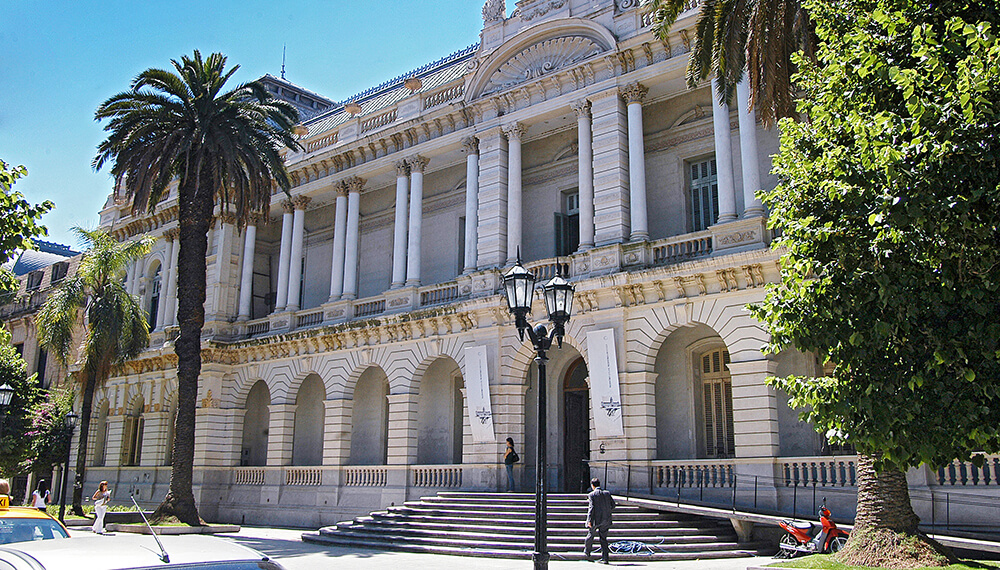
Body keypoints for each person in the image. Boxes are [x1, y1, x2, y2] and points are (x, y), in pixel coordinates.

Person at [584, 477, 616, 564]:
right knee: (603, 539)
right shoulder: (607, 493)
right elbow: (613, 505)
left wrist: (589, 520)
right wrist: (607, 511)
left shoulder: (591, 495)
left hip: (595, 520)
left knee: (590, 536)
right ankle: (605, 558)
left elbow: (591, 508)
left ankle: (587, 553)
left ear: (592, 485)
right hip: (606, 519)